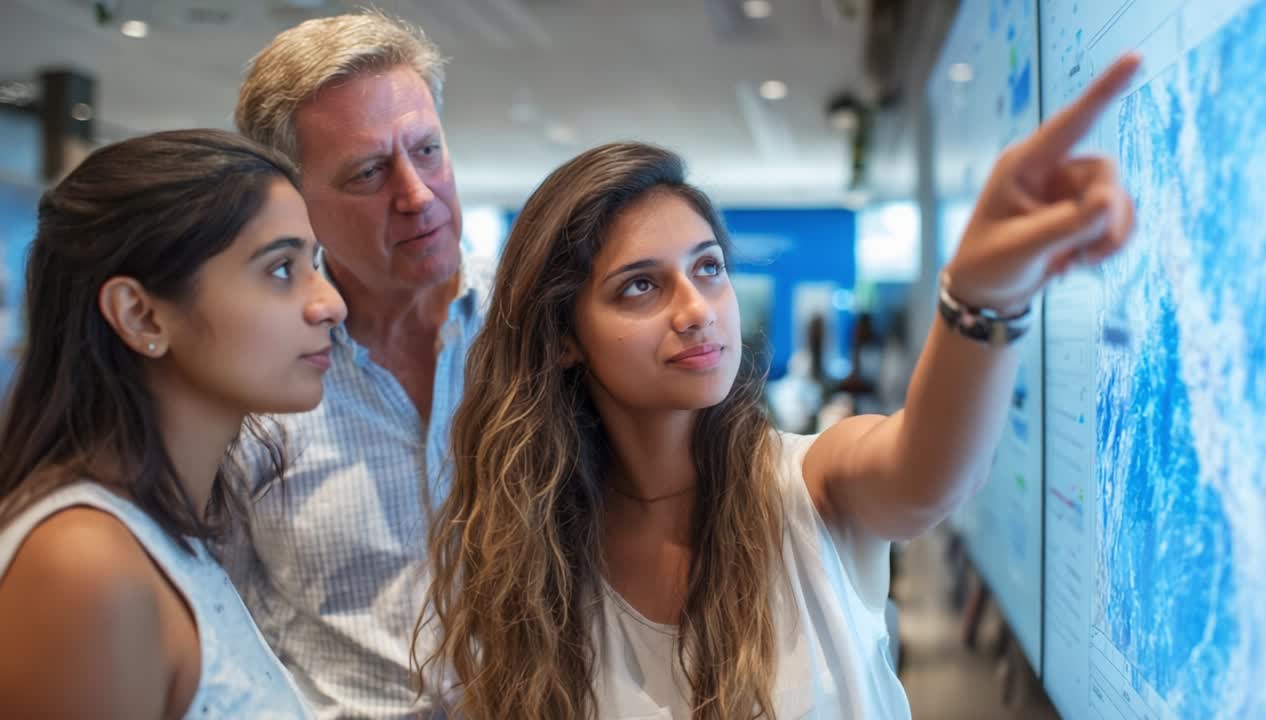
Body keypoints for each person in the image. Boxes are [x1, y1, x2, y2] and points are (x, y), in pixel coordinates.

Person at [419, 55, 1140, 718]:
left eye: (708, 268)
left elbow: (929, 473)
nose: (697, 310)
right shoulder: (531, 556)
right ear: (565, 338)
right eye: (641, 287)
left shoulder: (808, 486)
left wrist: (984, 296)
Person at [0, 129, 345, 718]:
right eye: (281, 269)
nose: (330, 303)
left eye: (313, 263)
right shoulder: (85, 566)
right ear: (140, 314)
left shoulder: (170, 526)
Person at [223, 11, 486, 718]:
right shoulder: (250, 391)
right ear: (292, 200)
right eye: (370, 171)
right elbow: (222, 629)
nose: (417, 194)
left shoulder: (545, 334)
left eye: (427, 150)